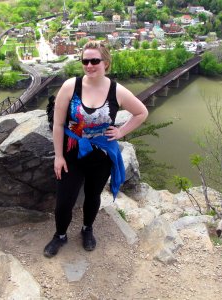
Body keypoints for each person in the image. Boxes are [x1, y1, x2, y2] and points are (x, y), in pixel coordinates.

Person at [44, 41, 148, 258]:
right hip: (72, 152)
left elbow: (141, 112)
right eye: (85, 61)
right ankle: (60, 235)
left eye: (95, 61)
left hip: (100, 156)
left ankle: (87, 229)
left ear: (106, 63)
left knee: (93, 196)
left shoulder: (116, 91)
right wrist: (59, 156)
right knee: (64, 200)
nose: (89, 65)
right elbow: (58, 124)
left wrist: (120, 132)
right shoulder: (71, 86)